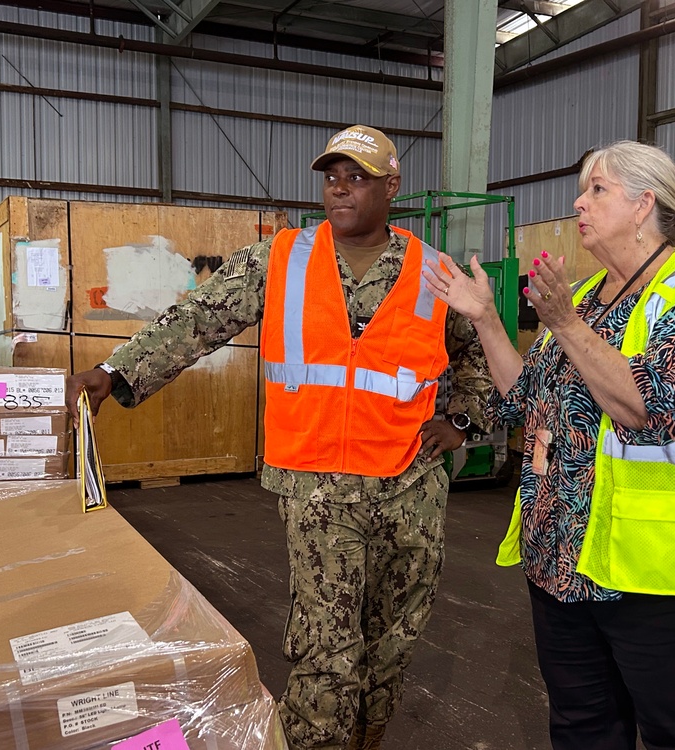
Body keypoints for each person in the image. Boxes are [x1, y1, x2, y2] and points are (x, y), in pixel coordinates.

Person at [65, 124, 492, 750]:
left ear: (392, 187)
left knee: (391, 647)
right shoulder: (283, 257)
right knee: (327, 655)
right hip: (318, 488)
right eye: (332, 177)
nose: (340, 190)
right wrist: (115, 371)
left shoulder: (436, 271)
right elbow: (199, 318)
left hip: (410, 486)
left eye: (358, 178)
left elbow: (479, 353)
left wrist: (462, 422)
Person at [423, 140, 675, 750]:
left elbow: (651, 409)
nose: (579, 202)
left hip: (666, 579)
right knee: (583, 733)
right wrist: (486, 320)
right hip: (564, 571)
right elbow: (525, 397)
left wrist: (567, 327)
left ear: (642, 205)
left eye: (597, 189)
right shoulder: (582, 300)